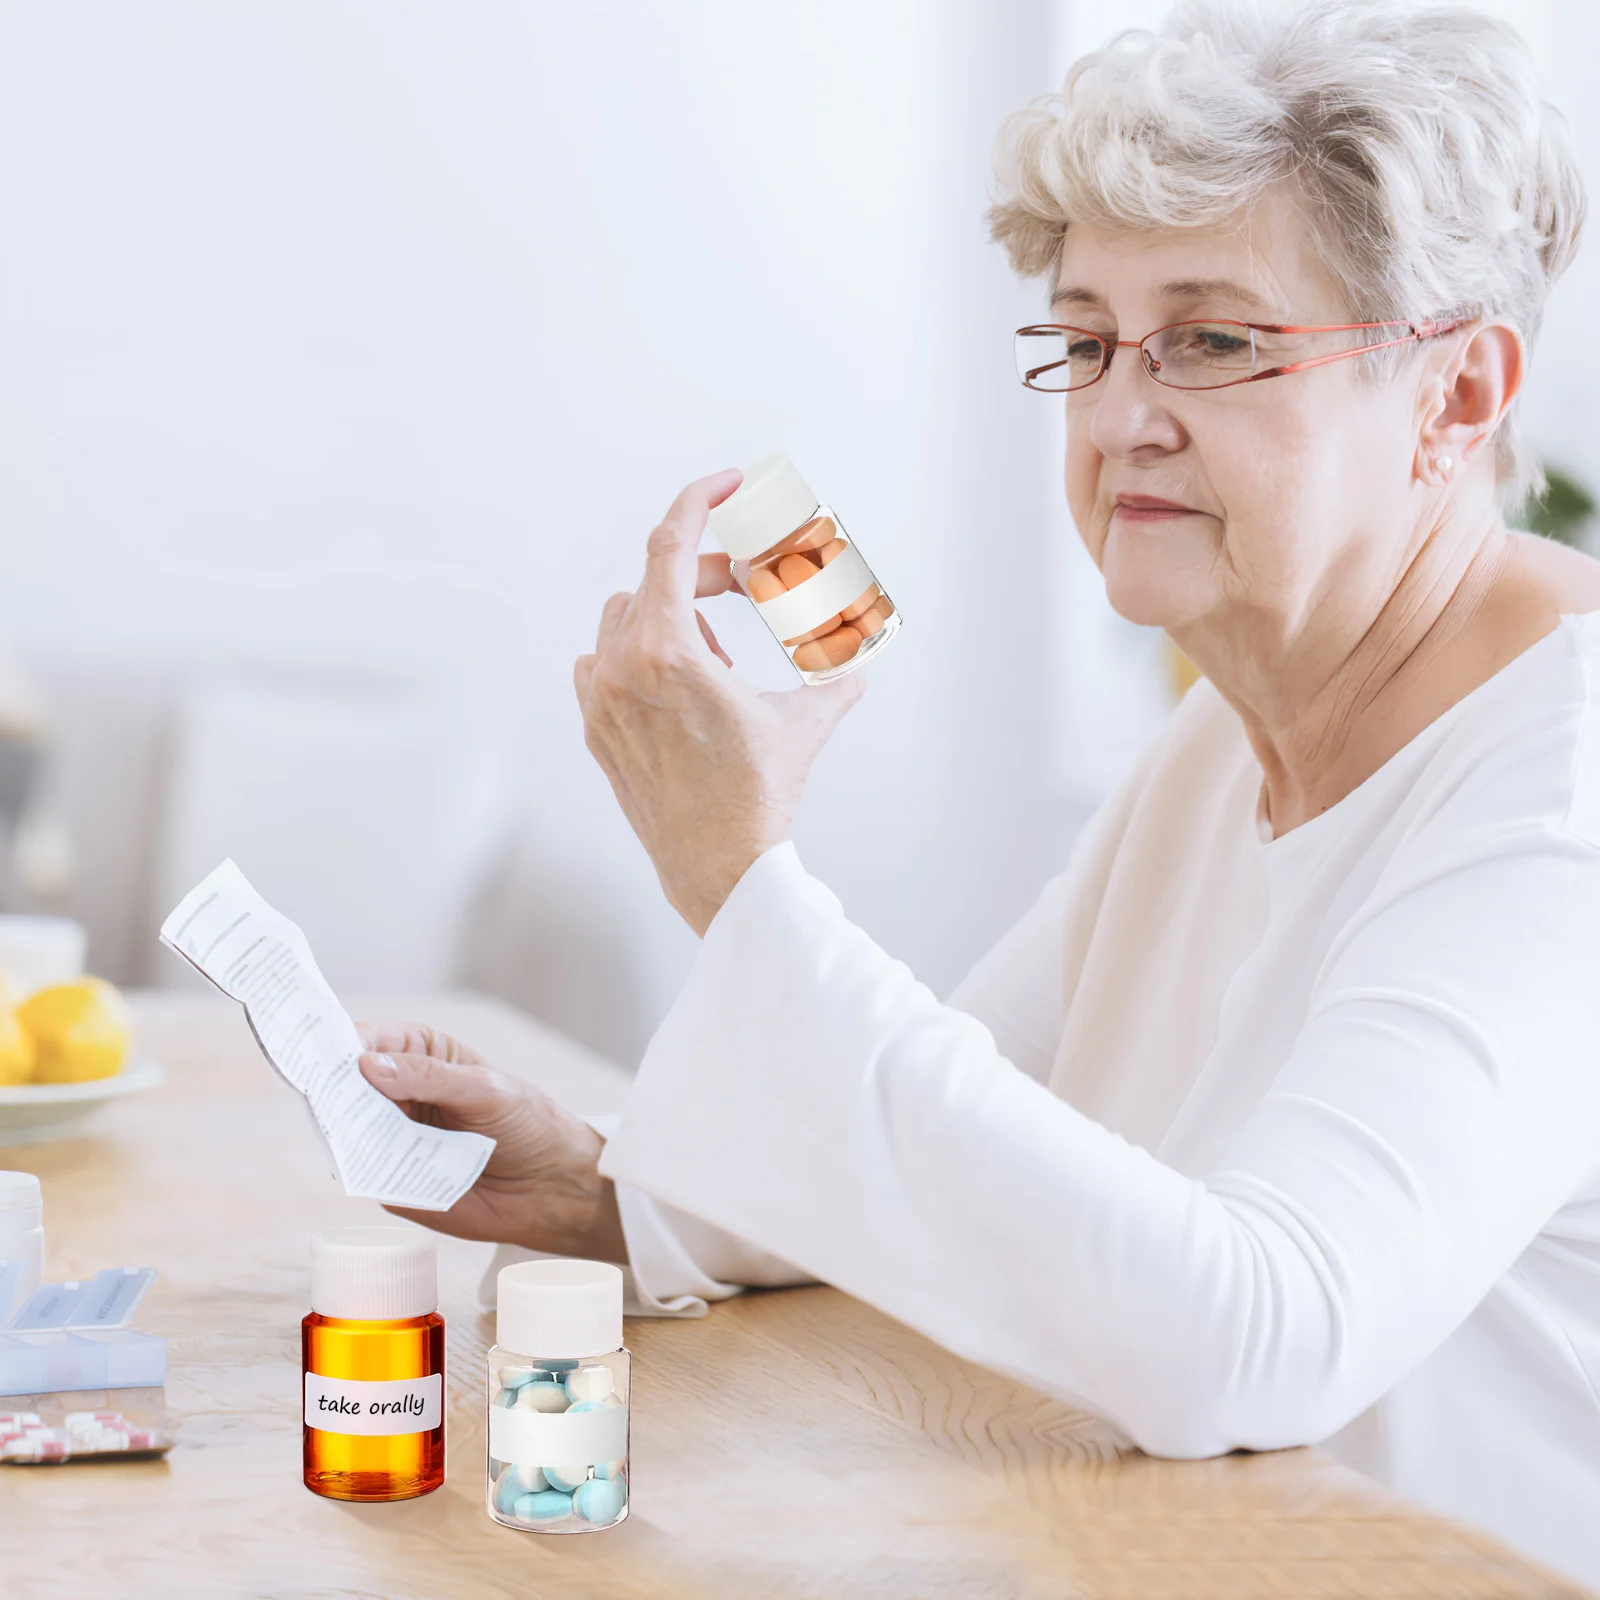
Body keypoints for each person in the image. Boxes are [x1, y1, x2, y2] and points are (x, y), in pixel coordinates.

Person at [359, 2, 1600, 1583]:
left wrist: (739, 875)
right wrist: (612, 1195)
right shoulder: (1229, 733)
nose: (1118, 417)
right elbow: (982, 1128)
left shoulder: (1563, 781)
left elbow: (1256, 1335)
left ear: (1460, 393)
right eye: (1085, 341)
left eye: (1212, 339)